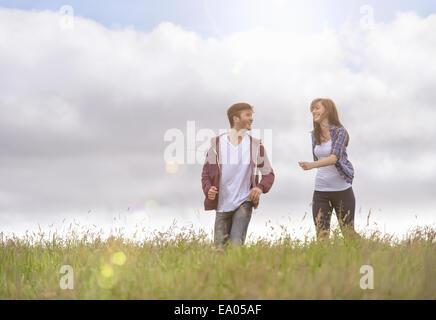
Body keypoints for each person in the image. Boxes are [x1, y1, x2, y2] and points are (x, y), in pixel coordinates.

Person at [201, 103, 275, 247]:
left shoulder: (255, 146)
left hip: (244, 202)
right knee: (219, 249)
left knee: (236, 245)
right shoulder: (216, 145)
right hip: (222, 205)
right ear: (235, 118)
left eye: (251, 115)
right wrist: (208, 189)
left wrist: (259, 188)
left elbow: (268, 173)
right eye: (247, 115)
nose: (251, 119)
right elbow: (206, 174)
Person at [298, 98, 360, 241]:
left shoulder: (340, 131)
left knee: (348, 234)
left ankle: (371, 250)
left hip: (342, 190)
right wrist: (313, 164)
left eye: (317, 108)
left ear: (327, 110)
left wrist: (311, 166)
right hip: (320, 191)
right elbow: (318, 158)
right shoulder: (314, 134)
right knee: (322, 236)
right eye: (312, 109)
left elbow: (334, 158)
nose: (313, 111)